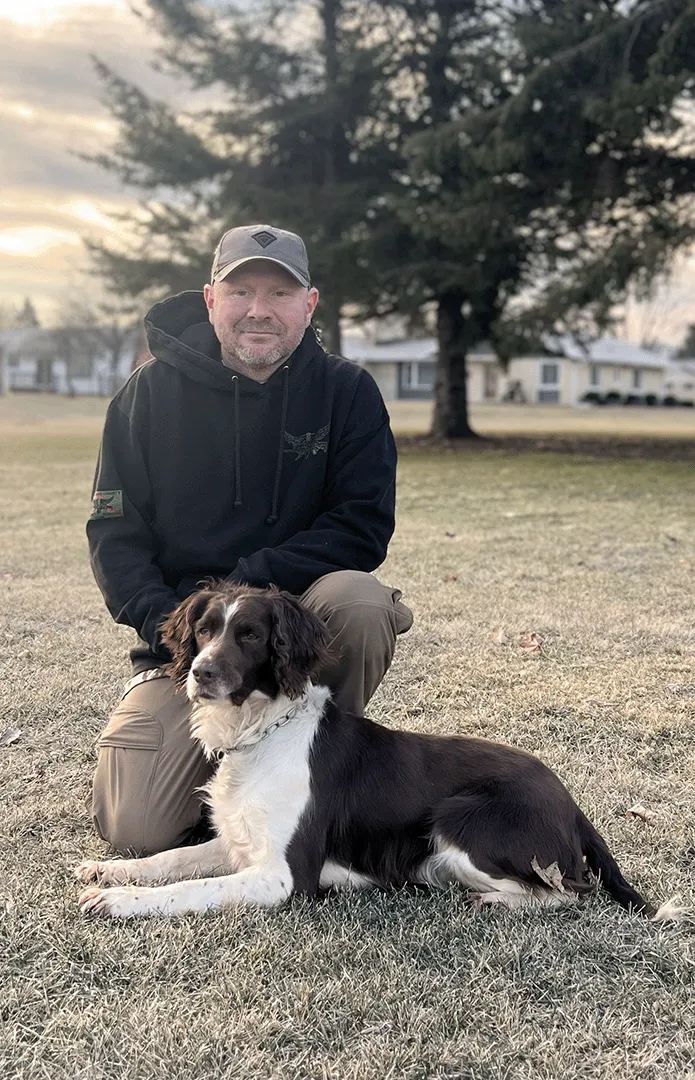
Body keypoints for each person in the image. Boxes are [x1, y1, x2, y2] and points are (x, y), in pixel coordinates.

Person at [87, 224, 413, 856]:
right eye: (240, 291)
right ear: (211, 299)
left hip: (292, 637)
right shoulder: (145, 397)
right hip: (188, 646)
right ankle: (221, 778)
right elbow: (114, 535)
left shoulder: (346, 393)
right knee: (136, 831)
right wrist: (178, 627)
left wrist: (257, 583)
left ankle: (311, 784)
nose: (259, 310)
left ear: (309, 304)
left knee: (361, 602)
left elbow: (363, 524)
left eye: (279, 293)